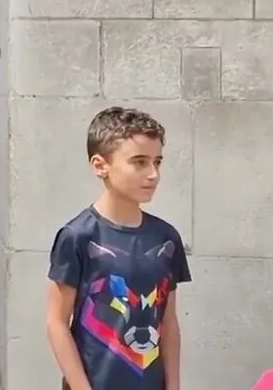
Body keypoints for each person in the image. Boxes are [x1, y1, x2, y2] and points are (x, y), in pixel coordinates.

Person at [44, 107, 191, 390]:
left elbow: (168, 322)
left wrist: (173, 386)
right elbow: (56, 323)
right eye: (139, 162)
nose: (153, 174)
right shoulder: (78, 236)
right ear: (100, 165)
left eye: (157, 162)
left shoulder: (166, 238)